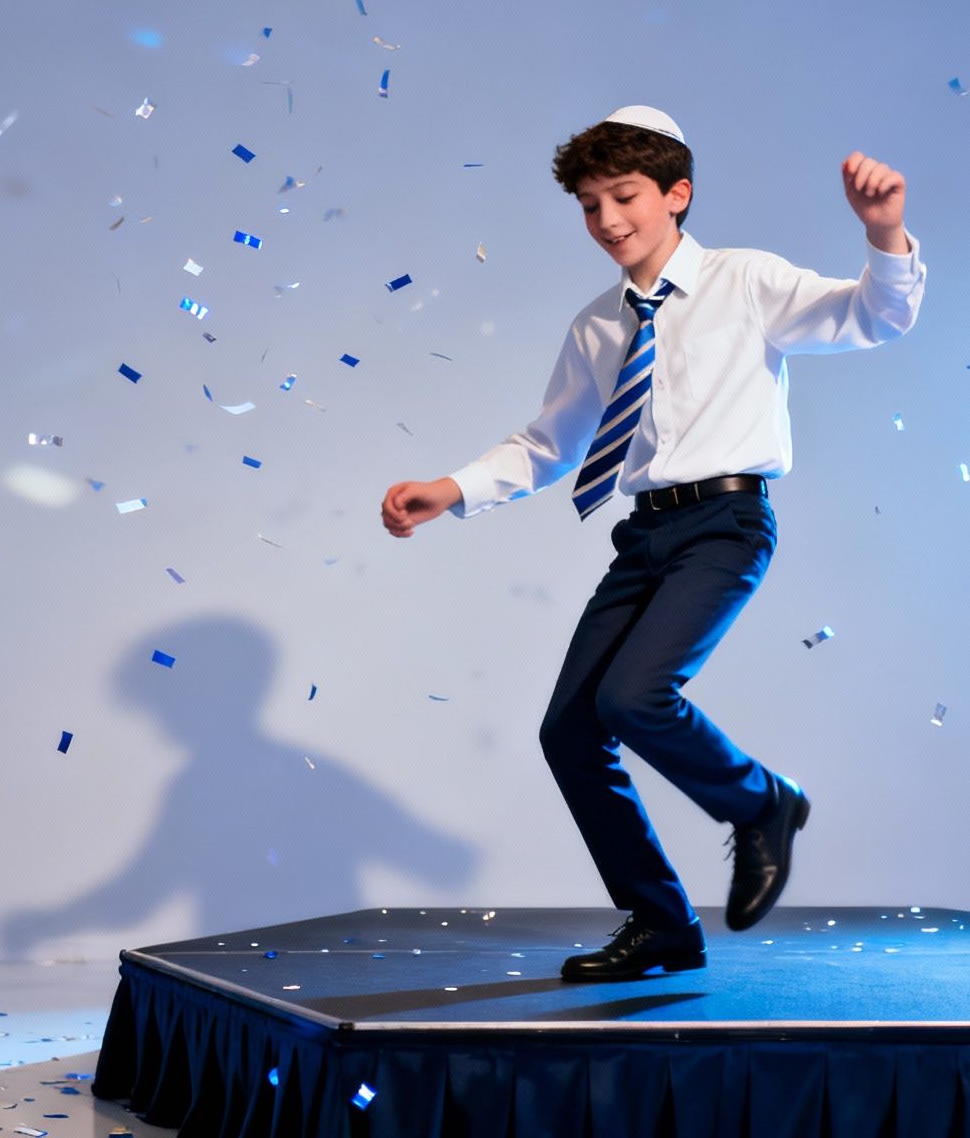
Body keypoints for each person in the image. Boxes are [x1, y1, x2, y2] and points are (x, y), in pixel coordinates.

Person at [381, 105, 924, 981]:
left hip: (726, 524)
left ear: (678, 194)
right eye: (590, 205)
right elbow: (551, 441)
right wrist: (450, 489)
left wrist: (884, 232)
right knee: (569, 731)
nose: (607, 221)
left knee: (635, 699)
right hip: (645, 537)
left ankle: (763, 805)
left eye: (624, 197)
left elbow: (870, 318)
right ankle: (661, 925)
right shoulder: (599, 324)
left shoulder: (744, 281)